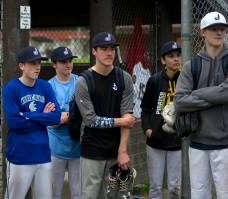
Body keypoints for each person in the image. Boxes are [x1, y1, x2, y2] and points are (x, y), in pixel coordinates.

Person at [74, 32, 136, 199]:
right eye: (103, 49)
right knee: (90, 195)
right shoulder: (84, 81)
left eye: (112, 49)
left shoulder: (124, 78)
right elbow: (91, 120)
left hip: (116, 149)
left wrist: (122, 150)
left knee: (114, 195)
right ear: (94, 51)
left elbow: (127, 117)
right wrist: (122, 120)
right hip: (92, 148)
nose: (109, 53)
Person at [174, 11, 228, 199]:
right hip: (197, 143)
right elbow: (179, 102)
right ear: (203, 32)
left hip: (225, 143)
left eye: (222, 29)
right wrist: (218, 94)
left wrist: (196, 94)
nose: (219, 32)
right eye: (214, 29)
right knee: (199, 195)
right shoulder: (192, 66)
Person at [3, 46, 61, 199]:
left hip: (43, 155)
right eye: (32, 63)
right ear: (22, 66)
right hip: (20, 156)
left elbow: (56, 117)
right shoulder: (11, 88)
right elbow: (14, 123)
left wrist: (28, 115)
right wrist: (43, 116)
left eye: (39, 63)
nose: (37, 67)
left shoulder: (45, 86)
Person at [141, 41, 182, 199]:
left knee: (174, 187)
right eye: (171, 56)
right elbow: (145, 108)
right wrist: (147, 129)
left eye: (178, 55)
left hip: (177, 141)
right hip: (156, 141)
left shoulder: (185, 79)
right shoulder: (155, 80)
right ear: (163, 61)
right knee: (156, 186)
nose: (176, 59)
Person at [47, 47, 81, 199]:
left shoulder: (80, 82)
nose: (68, 64)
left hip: (78, 147)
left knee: (78, 193)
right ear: (54, 64)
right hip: (56, 148)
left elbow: (87, 113)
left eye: (70, 61)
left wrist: (63, 115)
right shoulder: (49, 87)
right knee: (54, 193)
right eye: (63, 62)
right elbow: (53, 121)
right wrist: (74, 113)